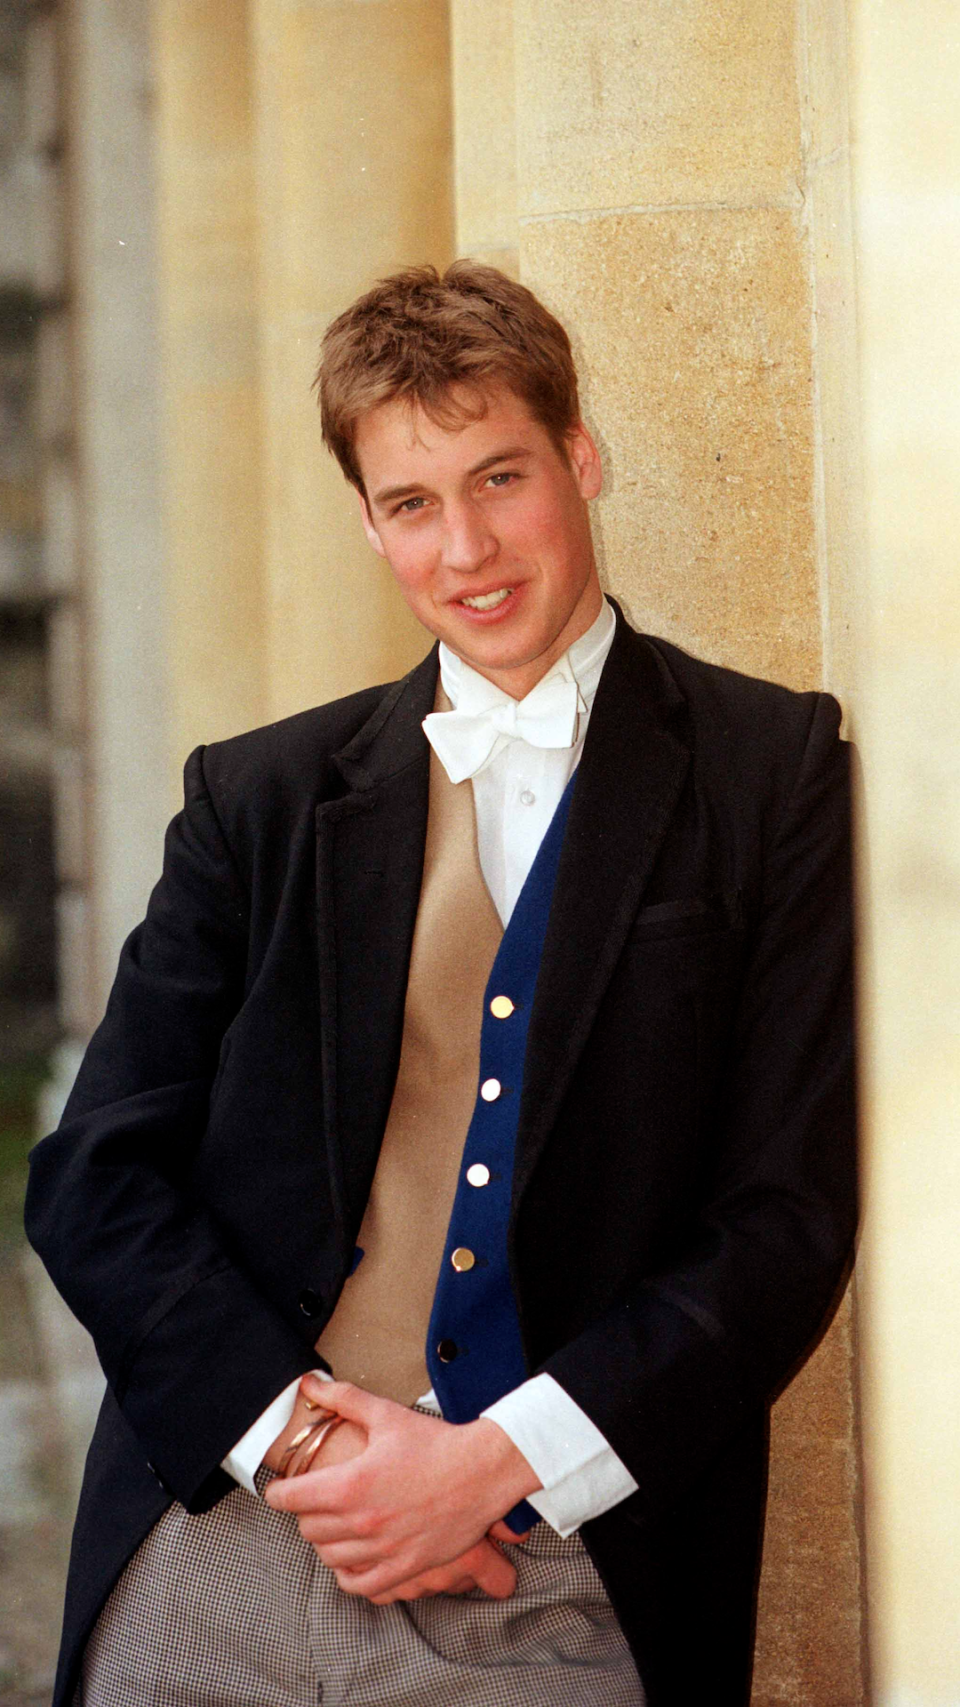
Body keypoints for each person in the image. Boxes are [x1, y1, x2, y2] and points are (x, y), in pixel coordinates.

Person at [26, 261, 857, 1707]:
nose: (466, 545)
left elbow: (785, 1217)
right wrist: (302, 1439)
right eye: (413, 503)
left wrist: (490, 1462)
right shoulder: (261, 795)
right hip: (225, 1524)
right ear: (367, 522)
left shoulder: (768, 773)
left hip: (556, 1566)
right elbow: (95, 1174)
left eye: (500, 477)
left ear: (579, 461)